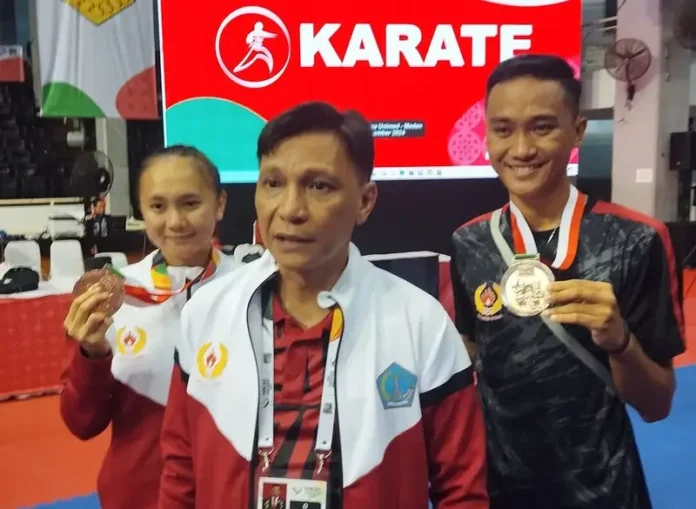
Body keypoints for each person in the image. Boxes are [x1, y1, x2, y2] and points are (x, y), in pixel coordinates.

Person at [158, 102, 489, 509]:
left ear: (365, 201)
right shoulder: (207, 312)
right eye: (273, 183)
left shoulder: (420, 322)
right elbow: (180, 470)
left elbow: (462, 489)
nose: (290, 210)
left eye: (319, 186)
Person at [450, 54, 686, 509]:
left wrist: (619, 341)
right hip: (498, 491)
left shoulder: (636, 240)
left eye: (542, 127)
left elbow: (657, 406)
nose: (521, 149)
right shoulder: (469, 242)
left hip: (604, 491)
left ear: (577, 131)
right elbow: (471, 362)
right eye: (503, 129)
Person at [60, 145, 250, 509]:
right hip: (138, 497)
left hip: (229, 495)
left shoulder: (251, 291)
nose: (175, 222)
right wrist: (90, 354)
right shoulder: (114, 295)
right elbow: (82, 423)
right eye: (158, 206)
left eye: (190, 203)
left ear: (220, 204)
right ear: (142, 211)